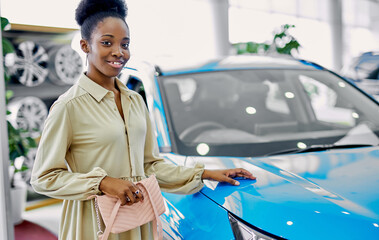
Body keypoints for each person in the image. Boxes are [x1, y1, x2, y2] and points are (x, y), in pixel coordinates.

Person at [30, 0, 256, 239]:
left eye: (125, 44)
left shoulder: (135, 102)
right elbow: (44, 178)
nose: (119, 52)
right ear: (85, 45)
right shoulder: (69, 106)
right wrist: (102, 182)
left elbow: (150, 166)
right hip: (94, 225)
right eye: (107, 43)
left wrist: (205, 174)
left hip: (137, 221)